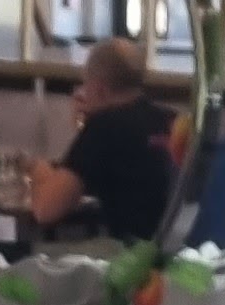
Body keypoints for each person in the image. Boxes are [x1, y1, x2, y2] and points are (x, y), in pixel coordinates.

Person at [26, 32, 174, 247]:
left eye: (86, 85)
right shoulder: (169, 120)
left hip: (130, 256)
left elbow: (45, 211)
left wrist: (39, 172)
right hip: (173, 253)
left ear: (100, 89)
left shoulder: (104, 127)